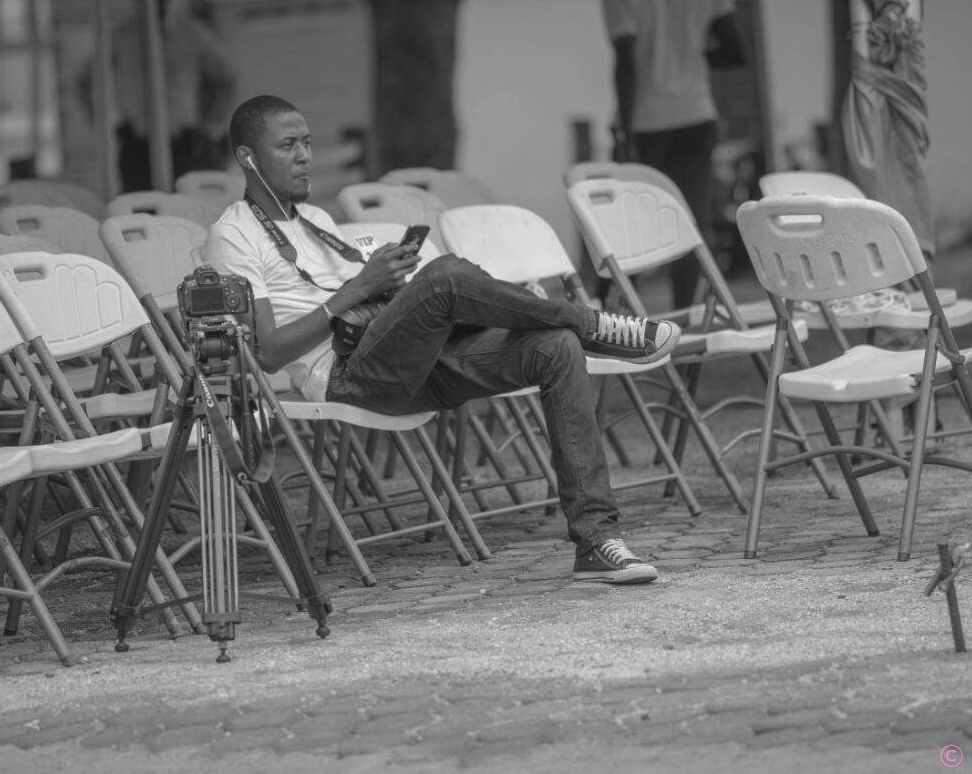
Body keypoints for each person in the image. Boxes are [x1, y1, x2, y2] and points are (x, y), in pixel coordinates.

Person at [205, 94, 685, 585]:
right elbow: (264, 353)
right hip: (348, 377)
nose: (304, 155)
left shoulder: (317, 223)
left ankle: (596, 542)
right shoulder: (233, 236)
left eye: (306, 142)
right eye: (287, 145)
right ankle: (593, 324)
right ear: (248, 158)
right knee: (445, 277)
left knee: (555, 348)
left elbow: (368, 305)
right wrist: (361, 287)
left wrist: (389, 285)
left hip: (406, 358)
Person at [602, 0, 746, 309]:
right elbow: (736, 52)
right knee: (690, 221)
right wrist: (694, 57)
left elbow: (627, 63)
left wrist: (626, 131)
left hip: (647, 123)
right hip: (697, 115)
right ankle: (684, 316)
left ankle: (617, 315)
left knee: (626, 223)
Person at [82, 0, 237, 193]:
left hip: (183, 139)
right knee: (139, 210)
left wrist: (213, 124)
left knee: (187, 210)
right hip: (137, 141)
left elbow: (226, 77)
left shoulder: (189, 32)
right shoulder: (122, 36)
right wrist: (101, 121)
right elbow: (84, 80)